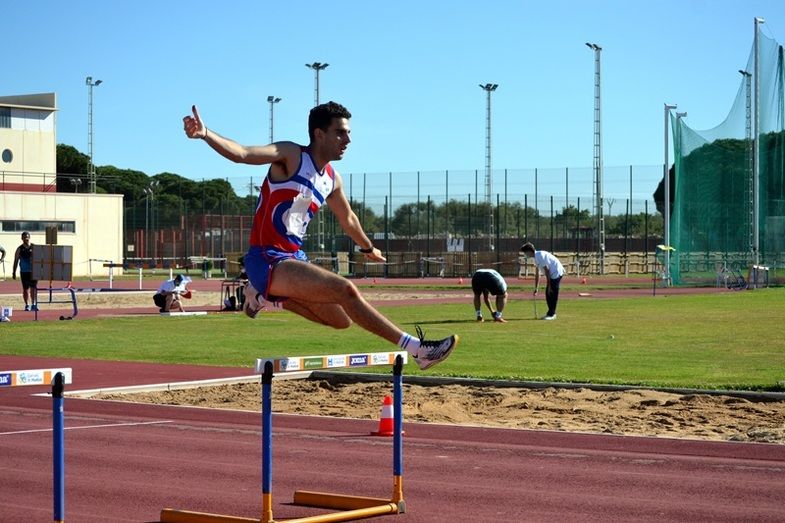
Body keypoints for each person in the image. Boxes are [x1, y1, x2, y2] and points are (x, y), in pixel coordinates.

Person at [183, 102, 457, 370]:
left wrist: (367, 248)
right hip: (267, 257)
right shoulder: (291, 156)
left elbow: (348, 218)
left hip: (295, 257)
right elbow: (242, 153)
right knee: (346, 290)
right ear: (319, 133)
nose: (347, 139)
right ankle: (418, 349)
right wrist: (206, 134)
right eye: (341, 132)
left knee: (342, 320)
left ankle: (265, 297)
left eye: (348, 132)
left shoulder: (332, 179)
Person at [520, 242, 565, 320]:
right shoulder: (536, 258)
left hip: (556, 272)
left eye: (525, 253)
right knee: (548, 294)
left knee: (552, 293)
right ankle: (550, 313)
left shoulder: (540, 256)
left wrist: (550, 285)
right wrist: (536, 288)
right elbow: (537, 274)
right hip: (552, 273)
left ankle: (552, 314)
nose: (525, 254)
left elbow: (547, 271)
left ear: (529, 251)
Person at [11, 232, 38, 311]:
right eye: (24, 237)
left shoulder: (34, 247)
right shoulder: (19, 249)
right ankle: (27, 305)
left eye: (27, 237)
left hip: (34, 271)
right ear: (21, 238)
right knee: (25, 289)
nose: (25, 239)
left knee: (33, 288)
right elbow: (16, 261)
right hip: (24, 272)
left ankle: (33, 304)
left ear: (29, 237)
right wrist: (14, 272)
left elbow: (40, 259)